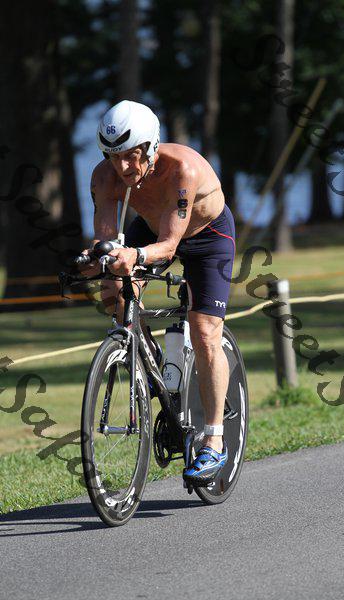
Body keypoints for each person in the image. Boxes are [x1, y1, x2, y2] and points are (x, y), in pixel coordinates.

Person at [85, 99, 236, 485]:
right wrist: (97, 259)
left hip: (207, 236)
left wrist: (134, 255)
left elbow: (168, 247)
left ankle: (214, 441)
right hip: (152, 228)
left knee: (204, 331)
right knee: (113, 290)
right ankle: (146, 362)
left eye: (131, 156)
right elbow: (106, 241)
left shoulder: (182, 169)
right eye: (113, 157)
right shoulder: (104, 177)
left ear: (151, 147)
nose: (123, 167)